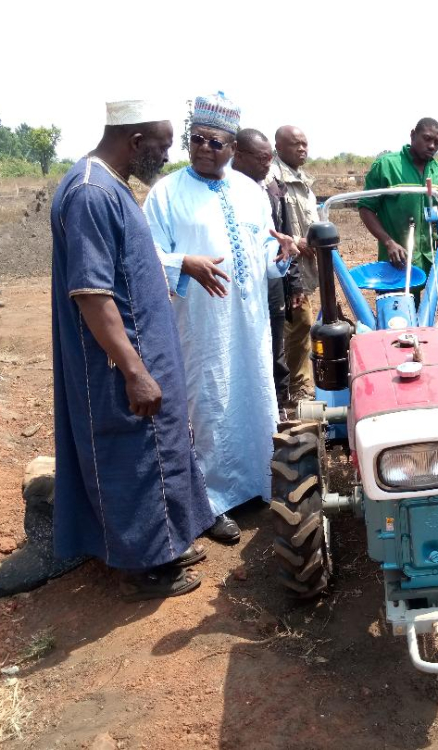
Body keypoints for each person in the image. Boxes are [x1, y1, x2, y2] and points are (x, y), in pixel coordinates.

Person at [50, 100, 213, 601]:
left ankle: (165, 541)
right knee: (135, 454)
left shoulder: (107, 185)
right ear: (135, 141)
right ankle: (146, 567)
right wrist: (134, 369)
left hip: (143, 349)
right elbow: (93, 293)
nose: (167, 157)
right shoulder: (91, 193)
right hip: (119, 361)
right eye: (162, 146)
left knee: (161, 449)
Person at [144, 93, 297, 543]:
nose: (205, 149)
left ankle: (258, 484)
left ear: (233, 148)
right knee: (209, 402)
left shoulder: (251, 193)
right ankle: (210, 503)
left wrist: (283, 253)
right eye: (198, 139)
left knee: (256, 393)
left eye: (216, 142)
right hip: (201, 321)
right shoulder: (167, 194)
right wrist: (184, 263)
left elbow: (265, 254)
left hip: (250, 322)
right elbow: (147, 255)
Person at [358, 118, 438, 317]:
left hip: (436, 258)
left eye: (437, 142)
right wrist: (389, 243)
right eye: (427, 139)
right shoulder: (387, 166)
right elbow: (366, 209)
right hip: (400, 261)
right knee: (402, 318)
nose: (432, 146)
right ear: (412, 135)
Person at [232, 128, 304, 412]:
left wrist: (294, 282)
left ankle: (279, 406)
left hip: (272, 282)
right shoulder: (221, 192)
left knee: (275, 346)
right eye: (261, 159)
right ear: (238, 155)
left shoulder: (272, 189)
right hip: (237, 285)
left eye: (269, 158)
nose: (267, 164)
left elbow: (285, 237)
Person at [270, 126, 319, 404]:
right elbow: (273, 225)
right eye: (295, 144)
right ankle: (296, 387)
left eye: (305, 144)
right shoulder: (272, 178)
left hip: (305, 268)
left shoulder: (301, 179)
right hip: (287, 269)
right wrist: (298, 241)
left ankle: (296, 383)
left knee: (300, 326)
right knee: (298, 325)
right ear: (279, 146)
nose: (302, 149)